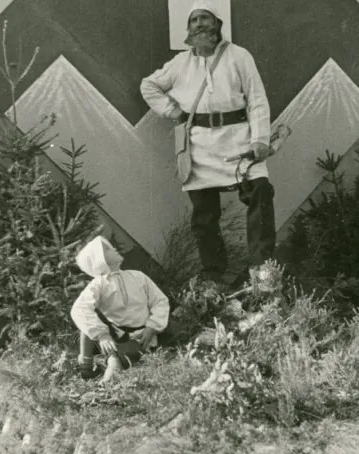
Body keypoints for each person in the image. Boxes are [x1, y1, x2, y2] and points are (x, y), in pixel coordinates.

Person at [140, 0, 276, 285]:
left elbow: (257, 99)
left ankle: (262, 269)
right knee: (204, 214)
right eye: (194, 20)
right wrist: (173, 112)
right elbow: (148, 86)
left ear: (217, 25)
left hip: (239, 141)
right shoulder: (180, 64)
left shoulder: (239, 56)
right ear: (188, 29)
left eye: (205, 18)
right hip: (199, 146)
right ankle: (213, 273)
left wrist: (260, 139)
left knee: (260, 192)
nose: (199, 24)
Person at [70, 236, 173, 380]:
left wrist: (152, 326)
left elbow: (160, 301)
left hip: (144, 334)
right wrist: (102, 335)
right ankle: (88, 369)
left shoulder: (137, 276)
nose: (114, 248)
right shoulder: (99, 284)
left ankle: (109, 362)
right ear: (99, 259)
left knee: (122, 356)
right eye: (107, 249)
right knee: (88, 328)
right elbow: (79, 309)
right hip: (117, 335)